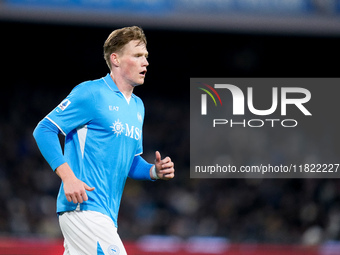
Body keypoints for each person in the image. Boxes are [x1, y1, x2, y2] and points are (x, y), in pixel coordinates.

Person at [33, 26, 175, 255]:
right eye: (138, 56)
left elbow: (129, 161)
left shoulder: (138, 107)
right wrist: (68, 178)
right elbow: (44, 130)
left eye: (146, 56)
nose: (145, 62)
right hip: (84, 208)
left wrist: (153, 171)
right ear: (116, 59)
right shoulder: (91, 93)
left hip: (106, 216)